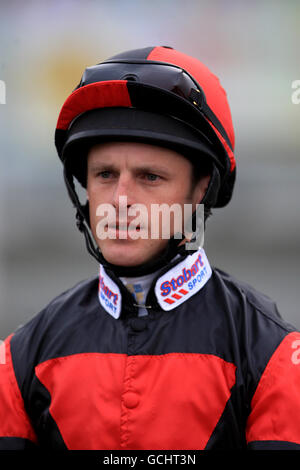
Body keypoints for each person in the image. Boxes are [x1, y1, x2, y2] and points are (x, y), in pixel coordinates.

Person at [0, 45, 300, 451]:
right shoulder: (19, 357)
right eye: (105, 174)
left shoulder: (275, 354)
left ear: (200, 190)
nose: (120, 200)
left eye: (150, 177)